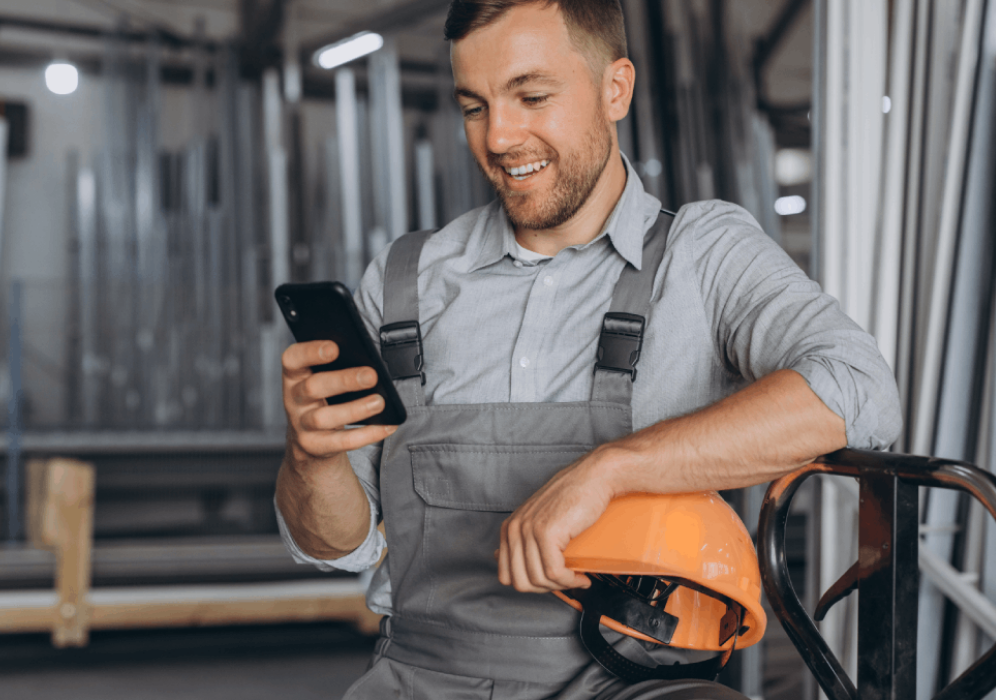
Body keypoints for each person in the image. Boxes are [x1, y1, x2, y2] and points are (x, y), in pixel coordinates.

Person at [274, 1, 901, 698]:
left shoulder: (703, 256)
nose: (501, 137)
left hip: (632, 683)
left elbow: (860, 391)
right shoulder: (405, 282)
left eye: (532, 96)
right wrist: (312, 458)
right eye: (474, 106)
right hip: (421, 677)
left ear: (616, 89)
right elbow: (335, 544)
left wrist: (610, 470)